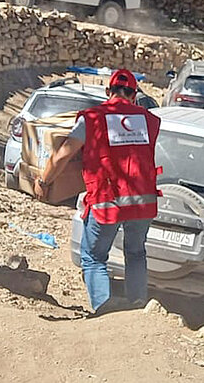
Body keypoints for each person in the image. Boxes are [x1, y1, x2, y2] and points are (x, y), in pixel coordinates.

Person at [34, 69, 161, 316]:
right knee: (136, 253)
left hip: (108, 201)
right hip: (142, 202)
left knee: (93, 256)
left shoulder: (92, 119)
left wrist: (44, 181)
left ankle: (104, 311)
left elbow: (63, 155)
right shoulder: (150, 120)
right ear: (135, 95)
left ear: (107, 92)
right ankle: (137, 308)